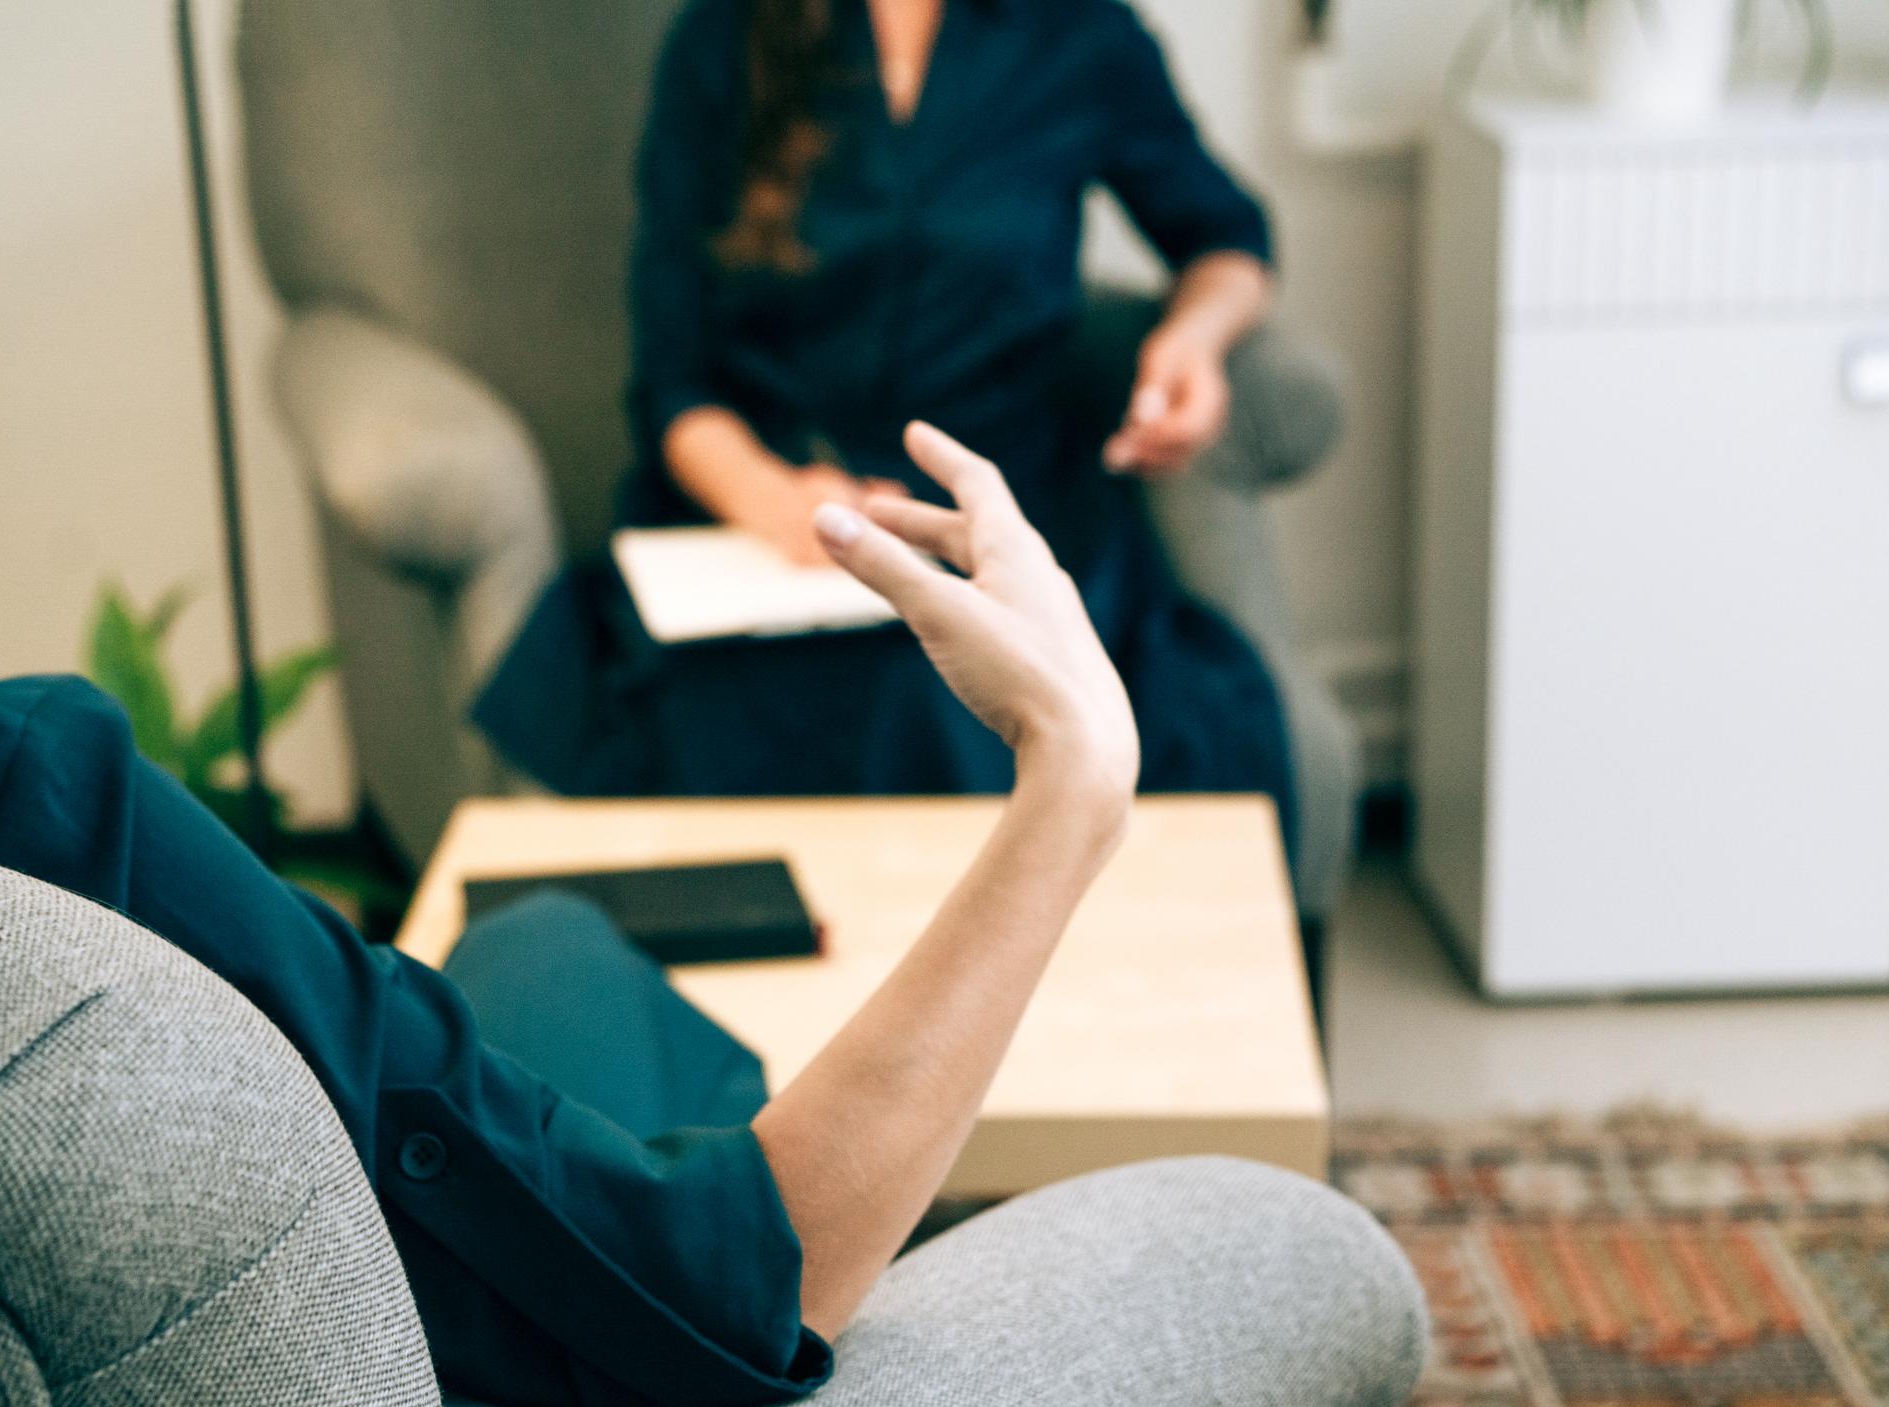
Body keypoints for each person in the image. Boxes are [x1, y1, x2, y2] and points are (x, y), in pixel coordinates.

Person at [0, 0, 1403, 1407]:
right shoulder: (24, 817)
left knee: (553, 951)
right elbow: (741, 1287)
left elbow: (1215, 237)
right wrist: (1074, 780)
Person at [476, 0, 1297, 862]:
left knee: (968, 691)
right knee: (764, 708)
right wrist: (772, 500)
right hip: (766, 525)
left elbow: (1227, 237)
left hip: (998, 510)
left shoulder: (1081, 34)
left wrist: (1192, 339)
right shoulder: (723, 36)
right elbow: (671, 377)